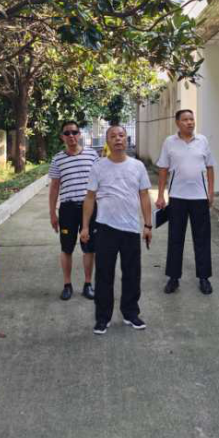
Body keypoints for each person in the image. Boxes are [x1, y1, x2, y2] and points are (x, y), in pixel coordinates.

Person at [81, 125, 153, 336]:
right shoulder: (98, 167)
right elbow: (90, 198)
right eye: (113, 136)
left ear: (126, 139)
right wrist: (85, 226)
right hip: (105, 228)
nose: (118, 139)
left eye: (121, 135)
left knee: (132, 273)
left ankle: (131, 313)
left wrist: (148, 225)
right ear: (108, 141)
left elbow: (144, 196)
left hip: (131, 228)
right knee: (104, 274)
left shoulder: (137, 166)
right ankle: (102, 318)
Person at [156, 110, 216, 296]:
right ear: (177, 123)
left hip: (200, 198)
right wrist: (160, 195)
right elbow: (163, 169)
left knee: (202, 239)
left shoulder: (202, 141)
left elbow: (210, 167)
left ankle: (204, 278)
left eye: (192, 119)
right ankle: (173, 278)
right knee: (175, 239)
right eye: (185, 120)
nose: (190, 122)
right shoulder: (169, 142)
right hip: (177, 197)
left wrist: (211, 192)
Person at [49, 121, 99, 301]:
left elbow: (100, 182)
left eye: (74, 132)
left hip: (90, 208)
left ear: (79, 134)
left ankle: (88, 284)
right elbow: (54, 187)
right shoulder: (57, 159)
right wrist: (52, 213)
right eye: (67, 133)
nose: (71, 136)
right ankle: (67, 285)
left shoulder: (92, 155)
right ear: (62, 137)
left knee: (89, 248)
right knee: (66, 248)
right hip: (68, 209)